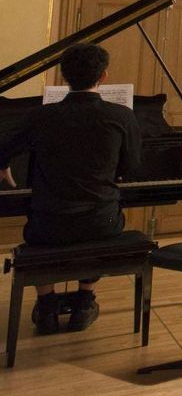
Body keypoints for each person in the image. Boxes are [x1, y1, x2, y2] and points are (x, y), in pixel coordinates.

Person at [0, 42, 141, 335]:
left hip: (48, 222)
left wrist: (4, 166)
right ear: (103, 76)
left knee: (40, 228)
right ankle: (84, 301)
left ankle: (47, 306)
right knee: (102, 217)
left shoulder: (40, 116)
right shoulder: (121, 117)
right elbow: (131, 169)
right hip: (102, 223)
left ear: (64, 75)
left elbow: (3, 149)